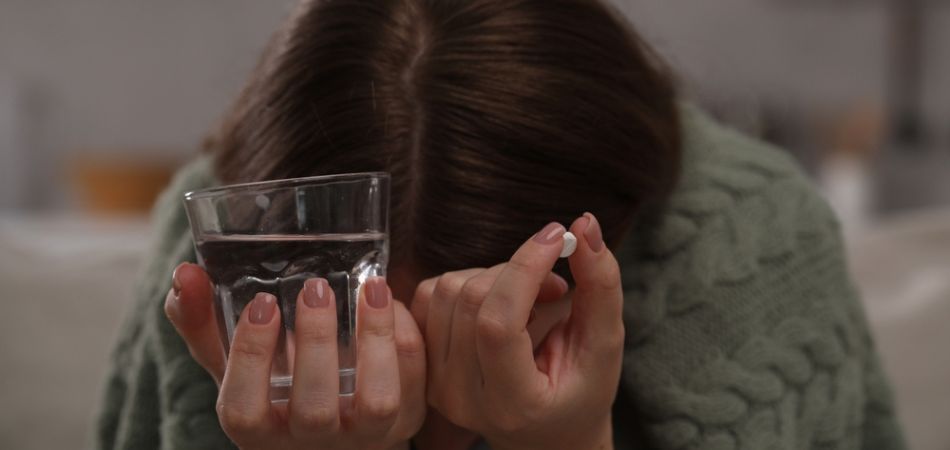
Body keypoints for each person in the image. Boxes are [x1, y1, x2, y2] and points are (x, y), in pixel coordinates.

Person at [94, 0, 906, 449]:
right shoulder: (214, 250)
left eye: (491, 331)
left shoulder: (752, 234)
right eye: (366, 337)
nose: (428, 419)